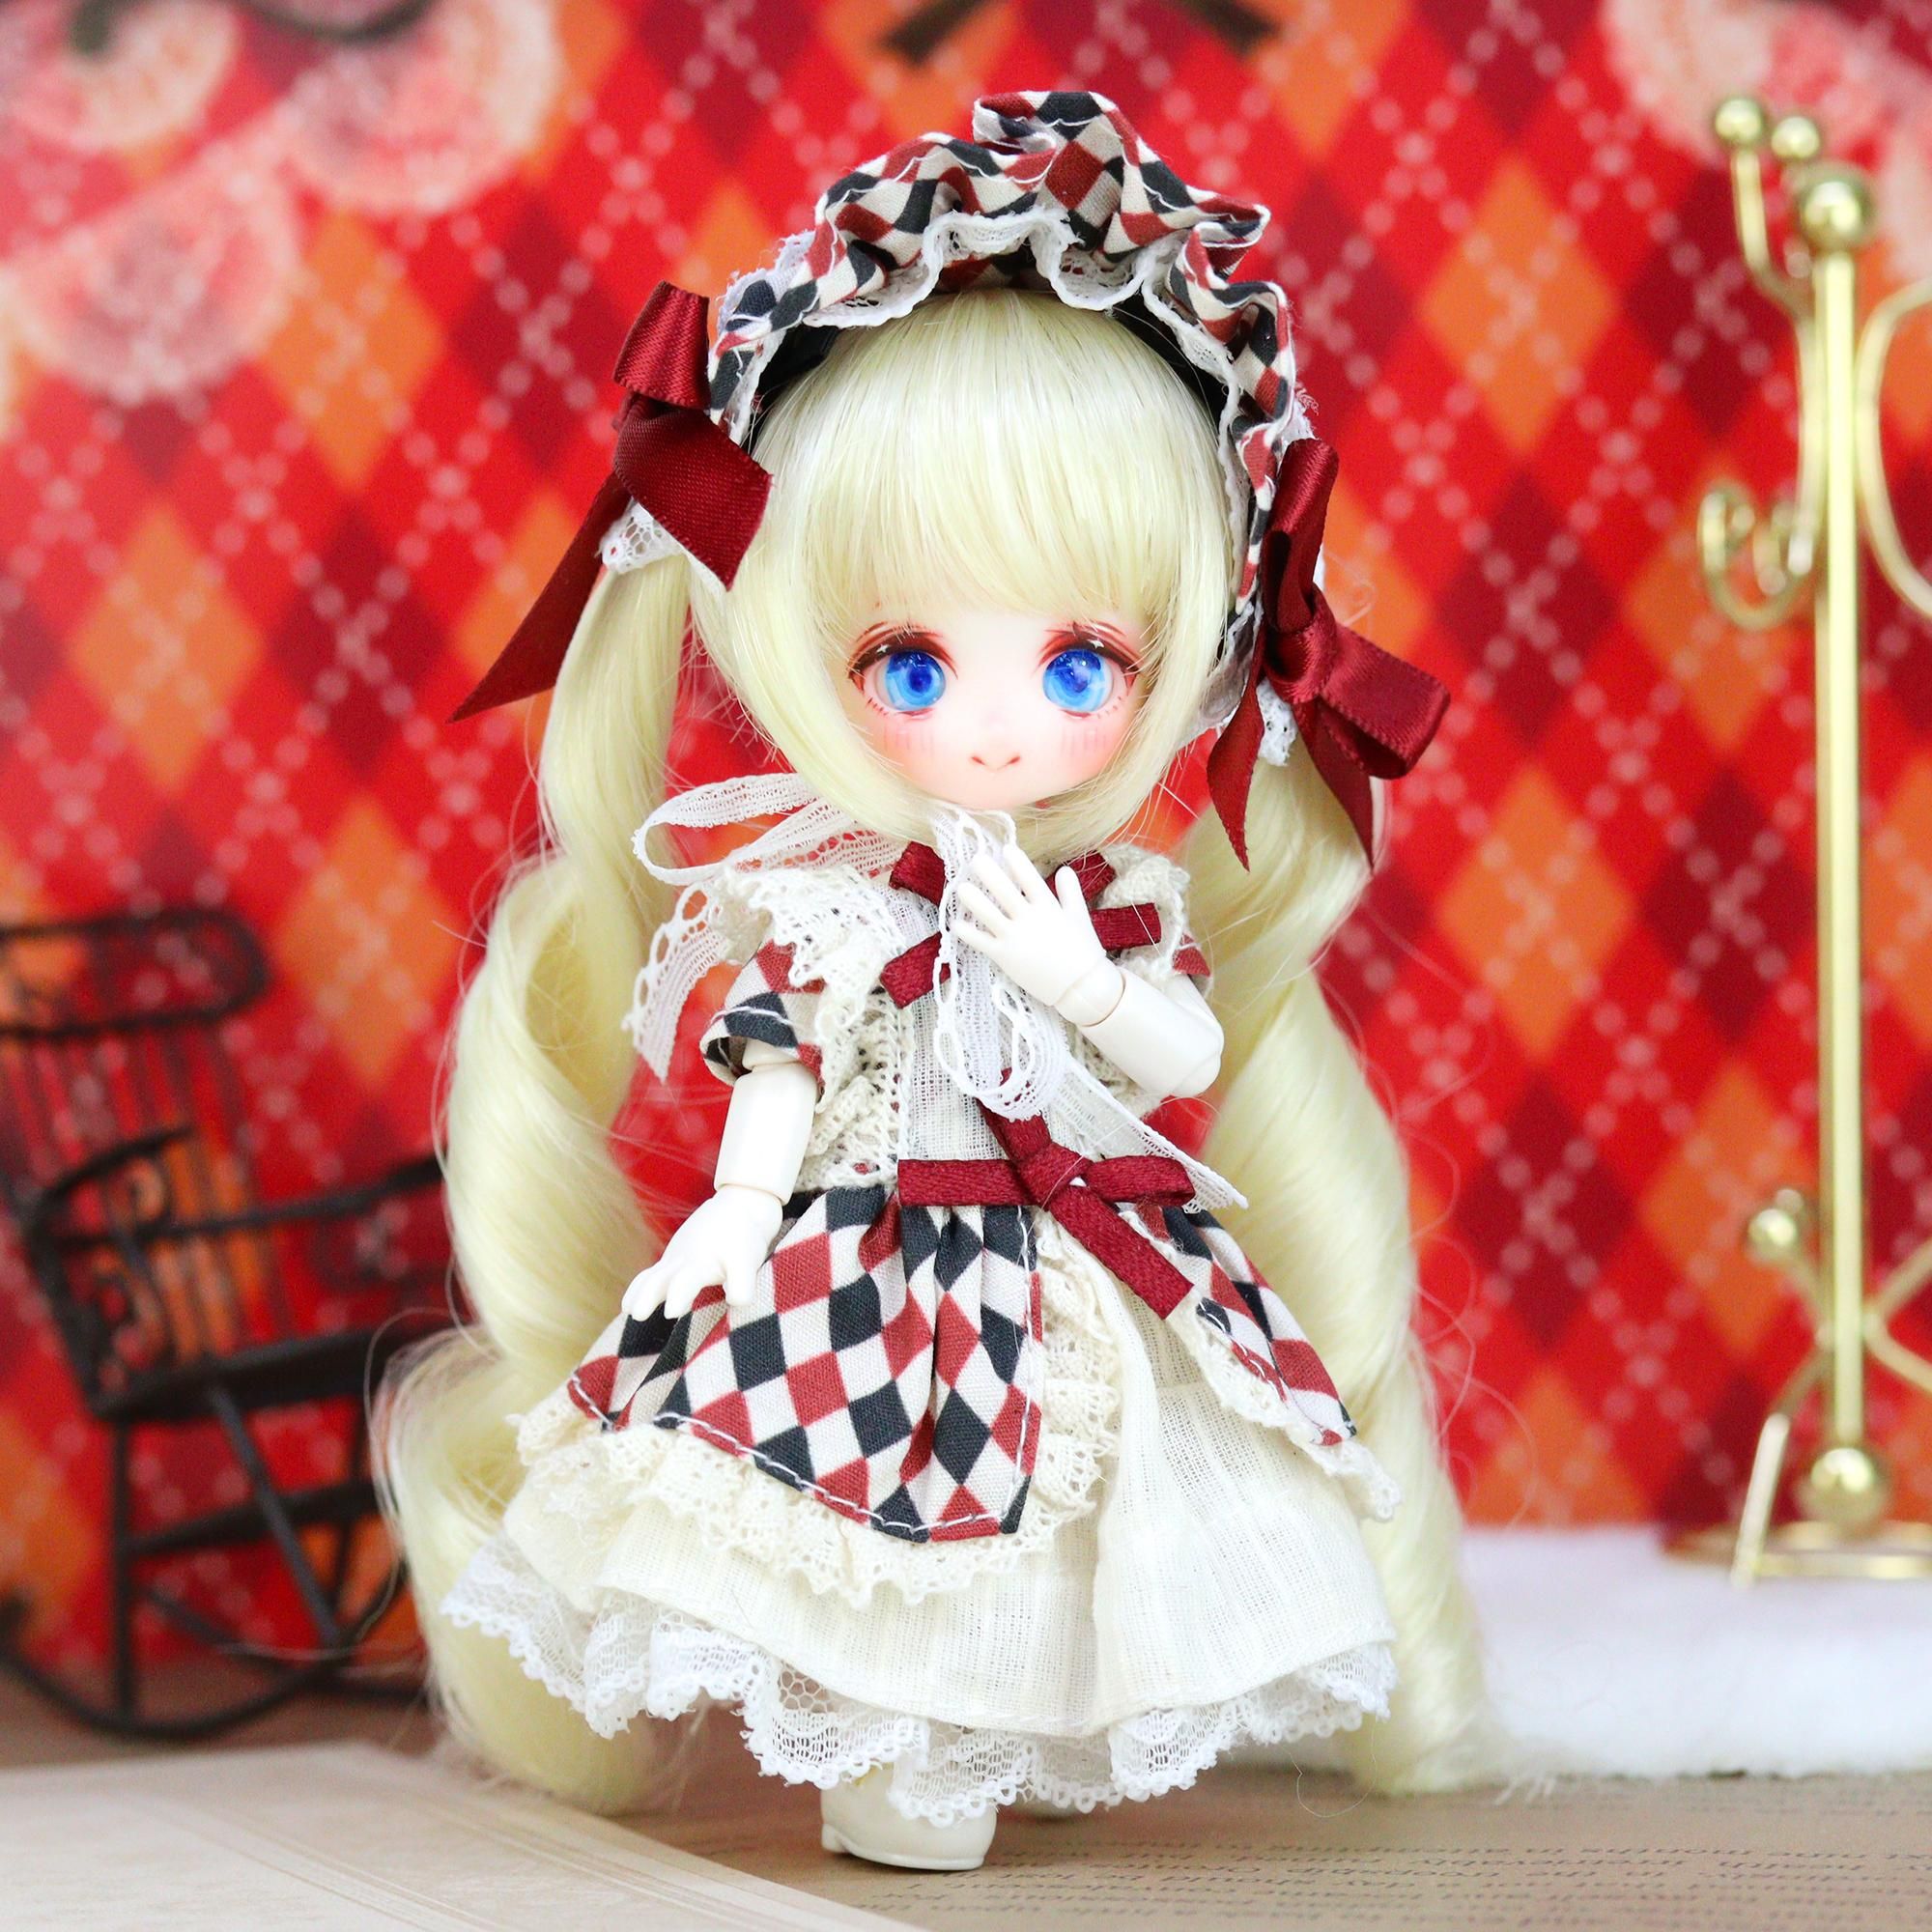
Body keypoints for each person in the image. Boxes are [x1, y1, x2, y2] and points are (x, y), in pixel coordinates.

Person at [382, 91, 1490, 1873]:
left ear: (1193, 661)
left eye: (1080, 665)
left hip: (1073, 1258)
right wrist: (732, 1225)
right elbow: (779, 1077)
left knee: (1082, 1502)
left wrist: (1081, 981)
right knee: (878, 1502)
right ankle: (899, 1769)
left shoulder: (1106, 902)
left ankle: (1030, 1728)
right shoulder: (839, 915)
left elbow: (1178, 1050)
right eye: (908, 664)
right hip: (867, 1259)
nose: (992, 727)